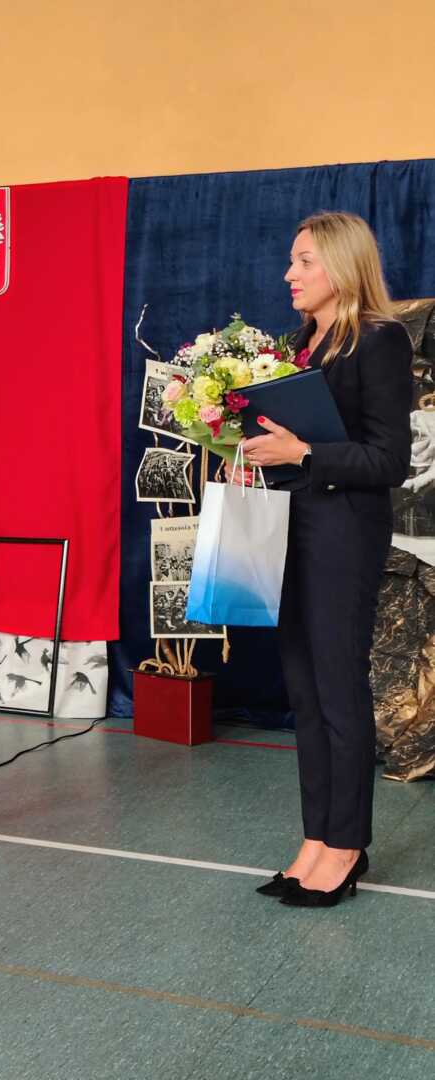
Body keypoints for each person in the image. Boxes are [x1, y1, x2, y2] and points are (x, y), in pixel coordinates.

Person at [239, 211, 412, 907]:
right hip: (290, 528)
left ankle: (346, 845)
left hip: (344, 534)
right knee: (304, 691)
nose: (290, 274)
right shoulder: (297, 344)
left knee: (339, 690)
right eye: (291, 260)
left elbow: (390, 460)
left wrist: (304, 452)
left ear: (341, 264)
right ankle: (315, 838)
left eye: (304, 261)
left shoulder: (380, 340)